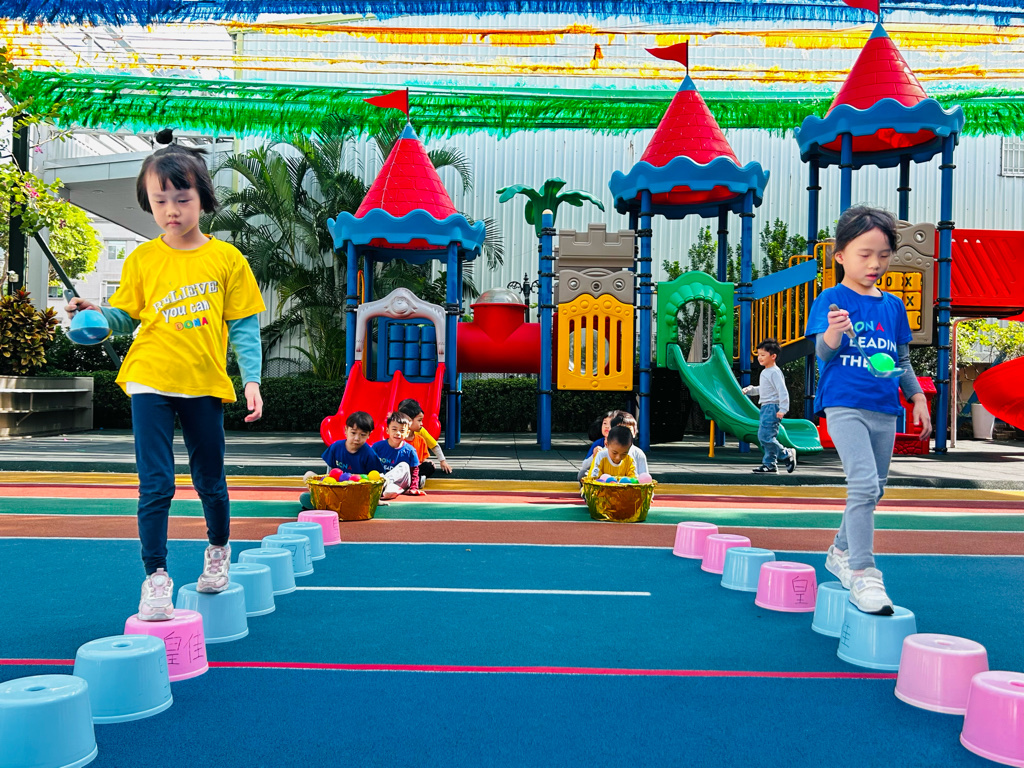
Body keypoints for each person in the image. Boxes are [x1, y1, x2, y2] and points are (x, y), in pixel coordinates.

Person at [65, 140, 266, 621]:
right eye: (160, 200)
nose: (171, 210)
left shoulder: (227, 259)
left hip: (203, 383)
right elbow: (124, 317)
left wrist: (252, 380)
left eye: (182, 198)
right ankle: (155, 576)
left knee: (209, 479)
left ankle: (218, 549)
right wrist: (97, 314)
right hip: (149, 377)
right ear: (148, 203)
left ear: (203, 199)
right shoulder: (141, 259)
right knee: (155, 483)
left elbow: (243, 325)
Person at [805, 205, 932, 616]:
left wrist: (916, 397)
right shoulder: (832, 299)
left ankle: (840, 550)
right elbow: (822, 353)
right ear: (841, 255)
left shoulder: (893, 306)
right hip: (845, 404)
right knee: (862, 485)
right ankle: (863, 570)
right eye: (865, 254)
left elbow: (901, 360)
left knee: (874, 489)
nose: (875, 263)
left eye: (883, 255)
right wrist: (834, 332)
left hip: (884, 408)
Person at [300, 411, 385, 509]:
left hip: (356, 491)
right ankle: (324, 499)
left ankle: (326, 503)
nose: (357, 438)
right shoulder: (335, 447)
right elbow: (329, 473)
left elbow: (376, 479)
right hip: (336, 488)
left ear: (369, 435)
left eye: (362, 434)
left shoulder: (370, 454)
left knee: (383, 480)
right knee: (308, 475)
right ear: (346, 430)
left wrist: (375, 499)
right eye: (353, 433)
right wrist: (326, 486)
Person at [743, 338, 797, 474]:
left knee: (765, 436)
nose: (759, 358)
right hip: (766, 407)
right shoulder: (766, 371)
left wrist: (783, 409)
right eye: (758, 355)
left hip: (772, 407)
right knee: (766, 436)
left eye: (763, 355)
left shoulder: (774, 372)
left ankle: (786, 453)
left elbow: (782, 391)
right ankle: (770, 464)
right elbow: (764, 389)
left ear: (773, 356)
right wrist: (751, 390)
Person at [578, 412, 648, 481]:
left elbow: (639, 478)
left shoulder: (632, 457)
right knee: (583, 474)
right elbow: (593, 477)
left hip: (623, 487)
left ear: (634, 433)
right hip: (603, 486)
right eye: (614, 453)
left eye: (624, 454)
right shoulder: (602, 454)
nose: (618, 457)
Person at [397, 398, 451, 487]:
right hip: (400, 467)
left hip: (414, 467)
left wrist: (442, 461)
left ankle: (414, 480)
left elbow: (434, 445)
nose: (422, 423)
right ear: (408, 420)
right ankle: (412, 480)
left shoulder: (420, 435)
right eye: (419, 420)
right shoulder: (398, 435)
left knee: (429, 466)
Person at [372, 411, 424, 499]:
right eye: (394, 429)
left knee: (403, 465)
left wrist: (414, 487)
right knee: (388, 492)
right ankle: (384, 489)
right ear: (387, 430)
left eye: (402, 430)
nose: (398, 433)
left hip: (401, 482)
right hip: (383, 481)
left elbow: (415, 471)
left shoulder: (410, 450)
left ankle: (383, 483)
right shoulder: (377, 447)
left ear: (407, 433)